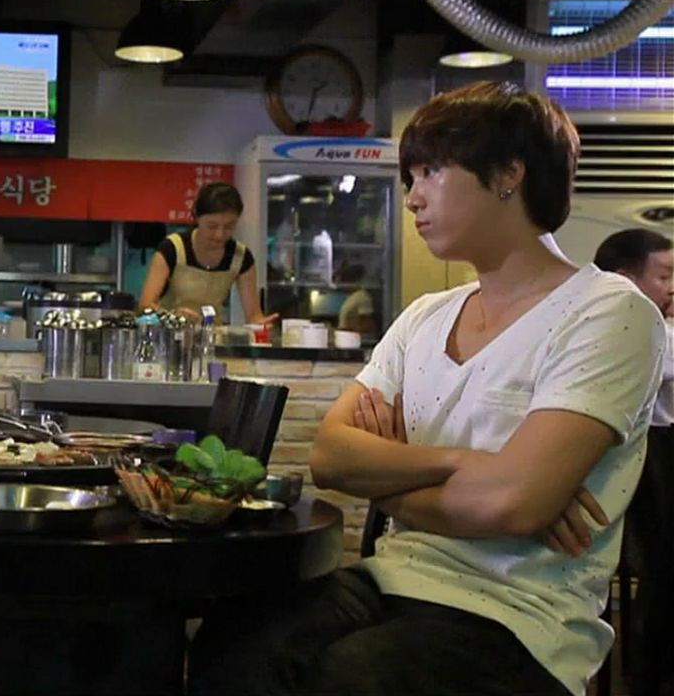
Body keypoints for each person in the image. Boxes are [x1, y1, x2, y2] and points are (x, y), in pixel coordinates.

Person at [188, 81, 666, 696]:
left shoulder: (608, 311)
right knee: (237, 638)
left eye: (431, 173)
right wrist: (470, 465)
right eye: (410, 178)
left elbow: (513, 505)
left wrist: (393, 479)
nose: (412, 198)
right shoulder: (426, 315)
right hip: (394, 575)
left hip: (521, 615)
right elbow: (330, 457)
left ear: (509, 174)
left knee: (350, 675)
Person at [593, 227, 673, 695]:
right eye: (664, 276)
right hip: (642, 476)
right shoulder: (630, 332)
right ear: (626, 280)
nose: (671, 287)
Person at [138, 181, 277, 324]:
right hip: (171, 332)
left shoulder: (241, 256)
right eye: (212, 226)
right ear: (197, 217)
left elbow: (253, 316)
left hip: (213, 333)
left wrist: (261, 324)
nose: (219, 234)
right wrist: (174, 316)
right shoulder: (172, 249)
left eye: (229, 226)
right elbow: (145, 306)